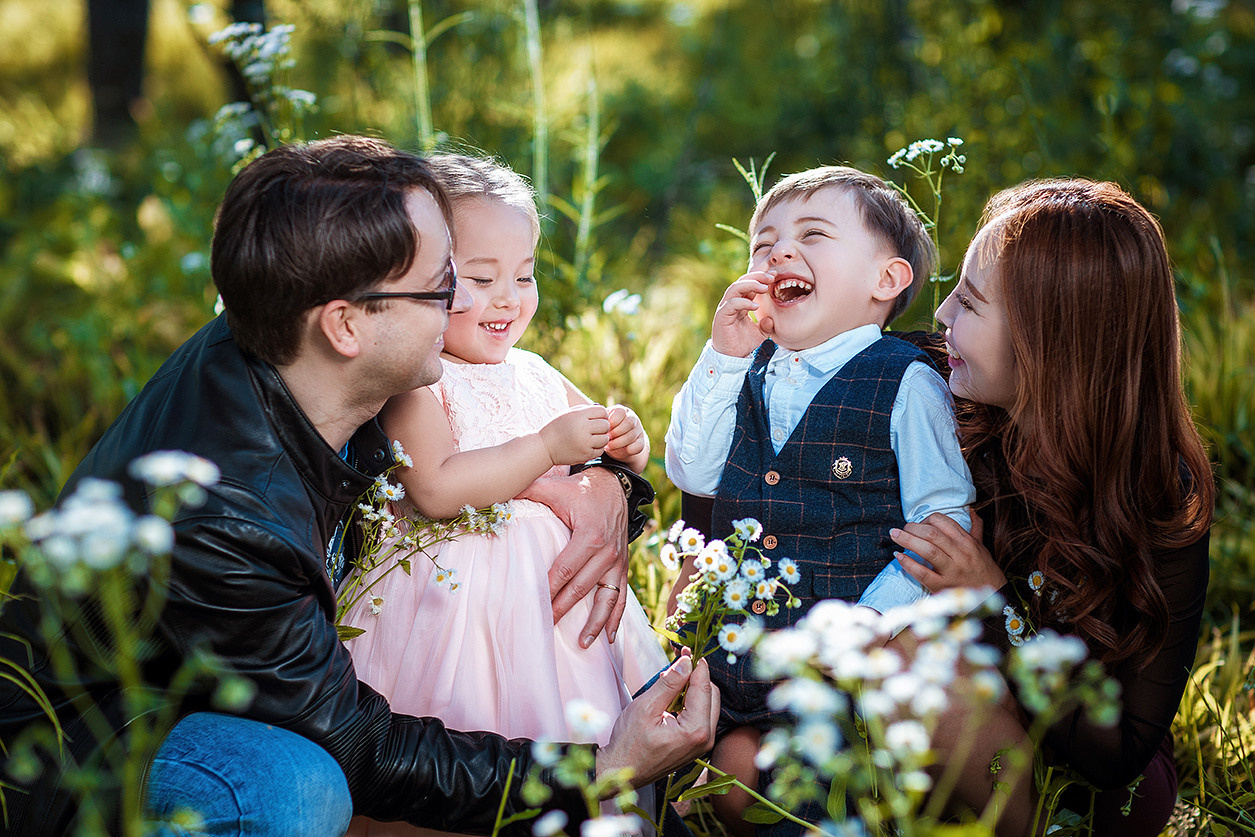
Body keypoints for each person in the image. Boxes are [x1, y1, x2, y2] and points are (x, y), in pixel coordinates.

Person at [0, 135, 718, 836]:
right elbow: (363, 746)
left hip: (231, 676)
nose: (462, 302)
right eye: (444, 282)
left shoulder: (313, 349)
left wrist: (606, 487)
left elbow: (522, 449)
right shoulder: (233, 519)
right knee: (291, 787)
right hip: (91, 740)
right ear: (345, 324)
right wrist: (600, 770)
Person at [341, 154, 668, 835]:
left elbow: (605, 453)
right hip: (447, 609)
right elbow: (434, 486)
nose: (508, 297)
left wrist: (622, 442)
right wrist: (546, 452)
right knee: (461, 734)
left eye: (524, 275)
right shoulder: (419, 379)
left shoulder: (535, 371)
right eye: (480, 278)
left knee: (564, 718)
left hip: (549, 616)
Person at [888, 179, 1213, 836]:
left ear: (1052, 339)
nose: (942, 313)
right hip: (942, 724)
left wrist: (990, 597)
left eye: (971, 303)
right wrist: (616, 480)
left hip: (1083, 777)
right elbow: (780, 396)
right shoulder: (932, 388)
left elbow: (1118, 752)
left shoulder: (1157, 494)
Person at [665, 165, 974, 835]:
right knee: (724, 773)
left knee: (808, 790)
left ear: (884, 281)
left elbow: (943, 517)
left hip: (842, 674)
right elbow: (692, 468)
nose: (777, 253)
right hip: (736, 663)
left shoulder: (905, 380)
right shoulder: (743, 364)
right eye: (763, 242)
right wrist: (719, 357)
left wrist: (871, 620)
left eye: (812, 234)